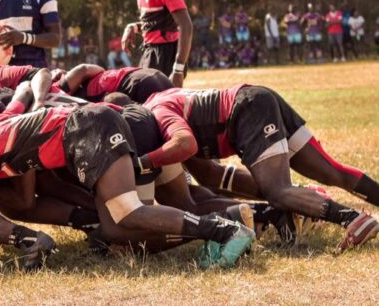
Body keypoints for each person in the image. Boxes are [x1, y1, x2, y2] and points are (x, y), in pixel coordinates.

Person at [0, 83, 255, 270]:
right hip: (92, 124)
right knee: (114, 229)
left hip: (87, 128)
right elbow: (20, 104)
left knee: (128, 210)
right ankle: (218, 226)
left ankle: (225, 230)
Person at [143, 86, 379, 251]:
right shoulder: (161, 100)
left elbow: (186, 143)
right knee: (330, 171)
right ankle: (298, 216)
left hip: (248, 108)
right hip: (256, 97)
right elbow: (209, 175)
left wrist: (144, 161)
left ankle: (354, 220)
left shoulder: (154, 110)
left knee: (277, 191)